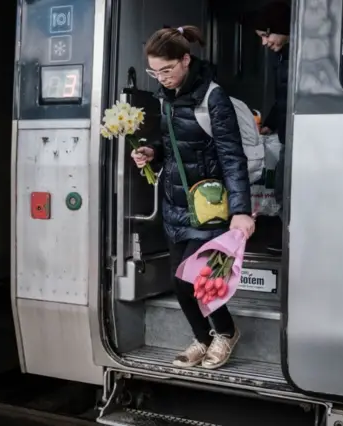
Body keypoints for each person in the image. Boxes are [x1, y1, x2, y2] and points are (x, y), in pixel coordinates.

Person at [130, 25, 255, 370]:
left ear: (185, 60)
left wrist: (241, 211)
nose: (161, 78)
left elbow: (232, 156)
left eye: (166, 70)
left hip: (209, 207)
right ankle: (203, 338)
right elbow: (172, 144)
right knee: (179, 282)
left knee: (199, 280)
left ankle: (226, 333)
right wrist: (151, 151)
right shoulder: (164, 97)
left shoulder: (213, 97)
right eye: (154, 72)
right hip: (175, 205)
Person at [254, 1, 291, 253]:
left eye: (266, 34)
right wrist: (270, 124)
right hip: (287, 132)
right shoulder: (285, 55)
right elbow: (283, 99)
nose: (264, 42)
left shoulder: (298, 56)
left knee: (283, 187)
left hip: (298, 136)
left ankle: (288, 239)